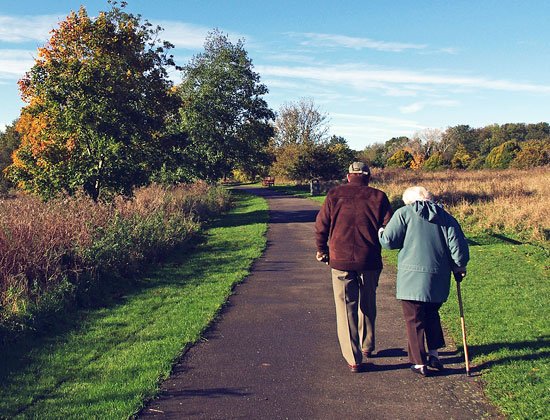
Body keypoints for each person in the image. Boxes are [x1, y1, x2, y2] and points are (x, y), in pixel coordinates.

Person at [378, 186, 469, 376]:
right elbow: (458, 248)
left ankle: (419, 362)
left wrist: (380, 231)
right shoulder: (446, 217)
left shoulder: (404, 213)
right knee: (431, 314)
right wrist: (459, 267)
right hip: (438, 278)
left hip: (411, 278)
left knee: (414, 319)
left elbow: (388, 241)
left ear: (409, 201)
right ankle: (434, 354)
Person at [315, 162, 393, 372]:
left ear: (348, 176)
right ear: (368, 177)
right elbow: (389, 227)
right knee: (368, 302)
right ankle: (367, 345)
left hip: (340, 259)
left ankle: (353, 358)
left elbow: (321, 225)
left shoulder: (334, 195)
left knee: (345, 307)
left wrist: (322, 250)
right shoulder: (379, 197)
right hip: (369, 259)